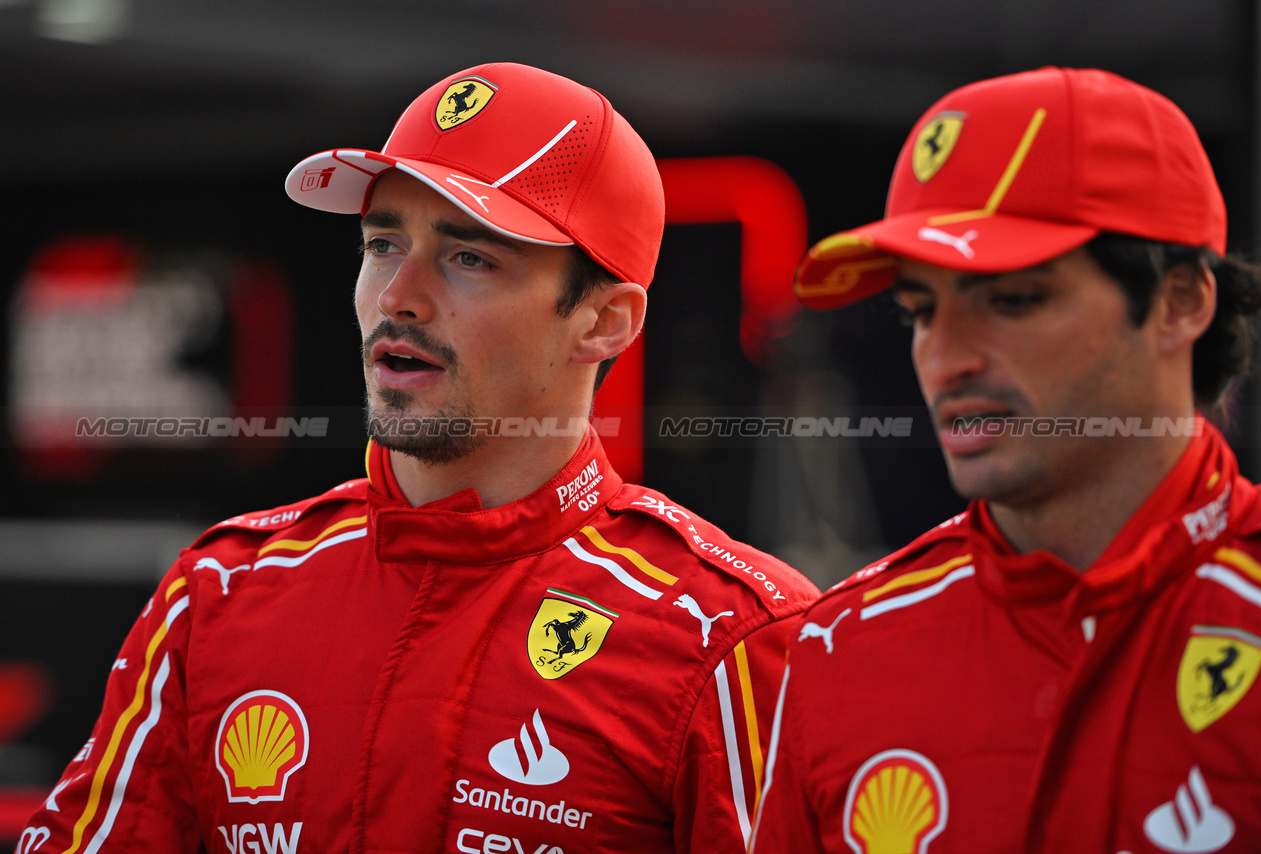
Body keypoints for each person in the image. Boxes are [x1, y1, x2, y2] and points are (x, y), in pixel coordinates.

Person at [20, 62, 818, 854]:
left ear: (604, 322)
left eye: (469, 257)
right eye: (382, 243)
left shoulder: (733, 637)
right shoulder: (222, 593)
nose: (400, 293)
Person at [750, 67, 1261, 853]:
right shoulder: (841, 646)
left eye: (1012, 301)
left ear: (1181, 302)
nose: (945, 358)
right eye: (921, 311)